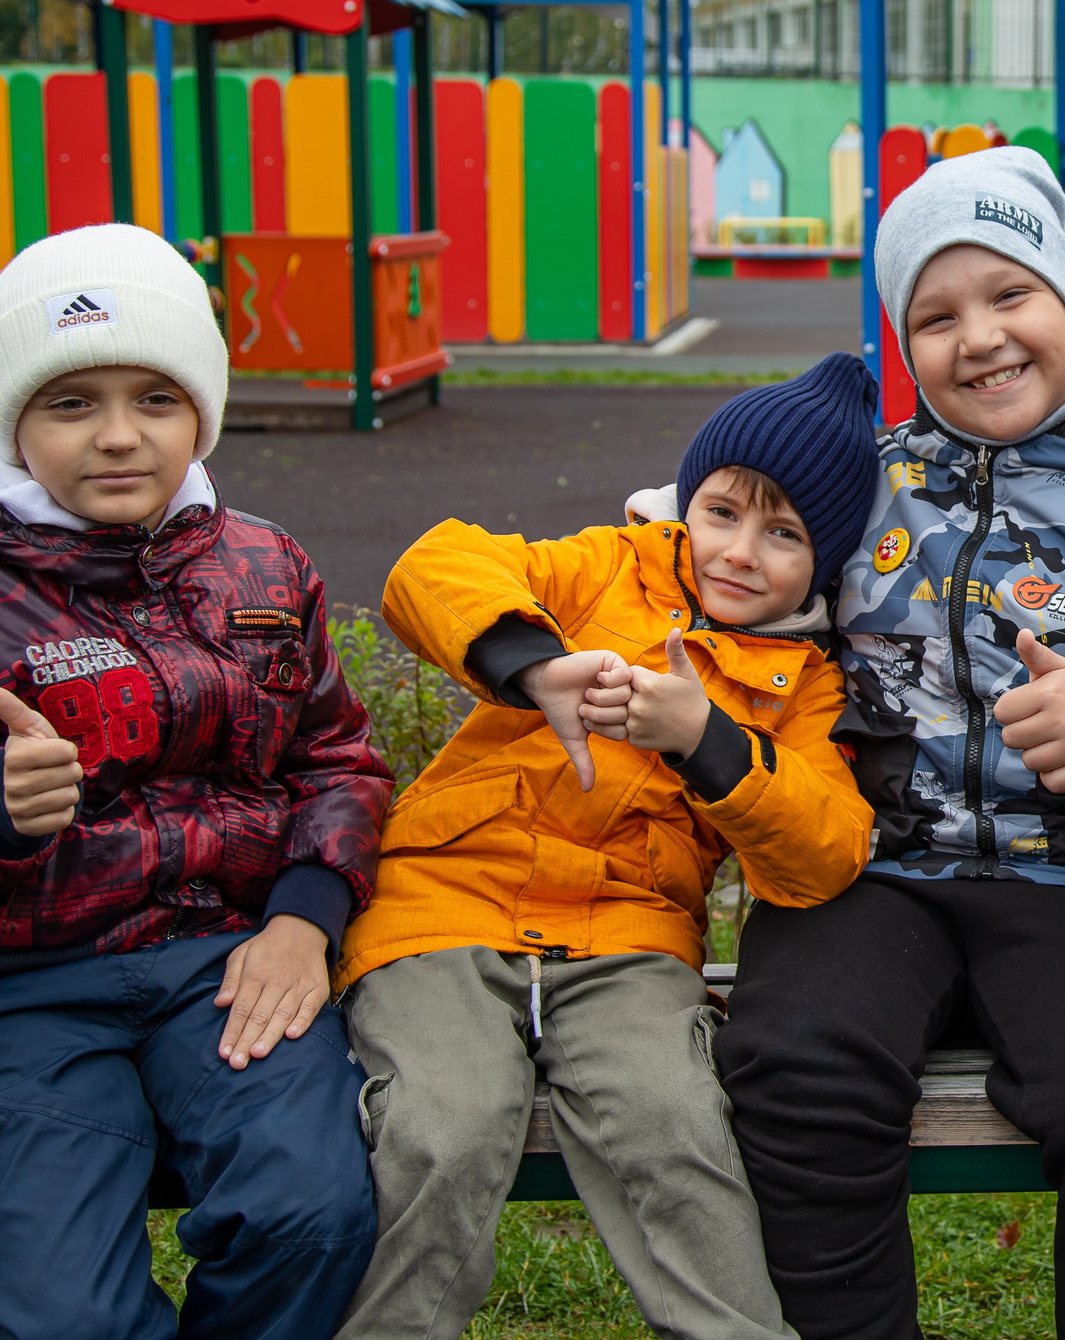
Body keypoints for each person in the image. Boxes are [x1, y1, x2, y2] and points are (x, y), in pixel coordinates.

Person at [713, 146, 1065, 1340]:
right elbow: (728, 550)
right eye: (936, 316)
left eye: (1009, 295)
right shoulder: (866, 487)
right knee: (793, 1061)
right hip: (876, 874)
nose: (979, 338)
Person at [0, 223, 391, 1340]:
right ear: (11, 417)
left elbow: (335, 759)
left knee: (313, 1212)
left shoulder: (261, 561)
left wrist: (304, 918)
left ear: (201, 409)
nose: (117, 436)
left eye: (154, 397)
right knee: (61, 1311)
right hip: (15, 994)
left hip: (223, 968)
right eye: (69, 403)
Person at [335, 353, 883, 1340]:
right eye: (723, 511)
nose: (741, 552)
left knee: (675, 1123)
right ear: (686, 501)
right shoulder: (605, 566)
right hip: (441, 909)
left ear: (827, 558)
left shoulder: (805, 683)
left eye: (785, 534)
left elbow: (827, 849)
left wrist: (706, 739)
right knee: (443, 1126)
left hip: (626, 940)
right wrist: (531, 664)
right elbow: (435, 565)